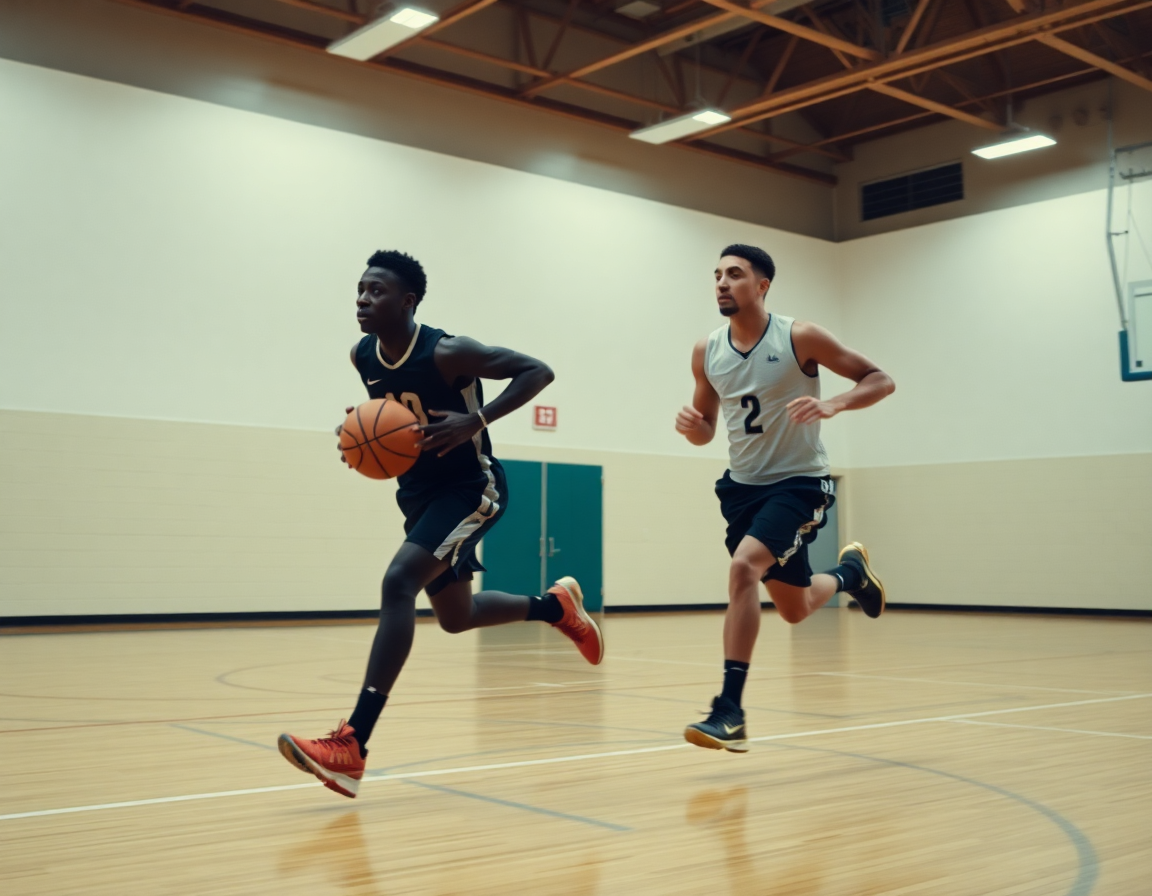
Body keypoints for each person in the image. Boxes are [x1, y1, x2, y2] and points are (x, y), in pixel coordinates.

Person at [278, 250, 603, 797]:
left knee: (398, 582)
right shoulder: (363, 355)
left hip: (472, 487)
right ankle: (555, 607)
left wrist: (476, 418)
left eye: (376, 291)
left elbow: (538, 371)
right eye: (359, 289)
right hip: (419, 494)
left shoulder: (450, 352)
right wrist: (359, 437)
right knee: (456, 616)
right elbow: (390, 420)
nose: (362, 299)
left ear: (407, 301)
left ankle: (352, 744)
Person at [675, 244, 894, 753]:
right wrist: (692, 427)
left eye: (735, 274)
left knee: (743, 569)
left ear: (763, 285)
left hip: (798, 483)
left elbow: (880, 380)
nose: (722, 284)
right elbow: (706, 429)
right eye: (717, 276)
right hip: (741, 488)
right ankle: (850, 576)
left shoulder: (800, 336)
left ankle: (729, 711)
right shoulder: (706, 350)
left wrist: (833, 403)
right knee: (794, 609)